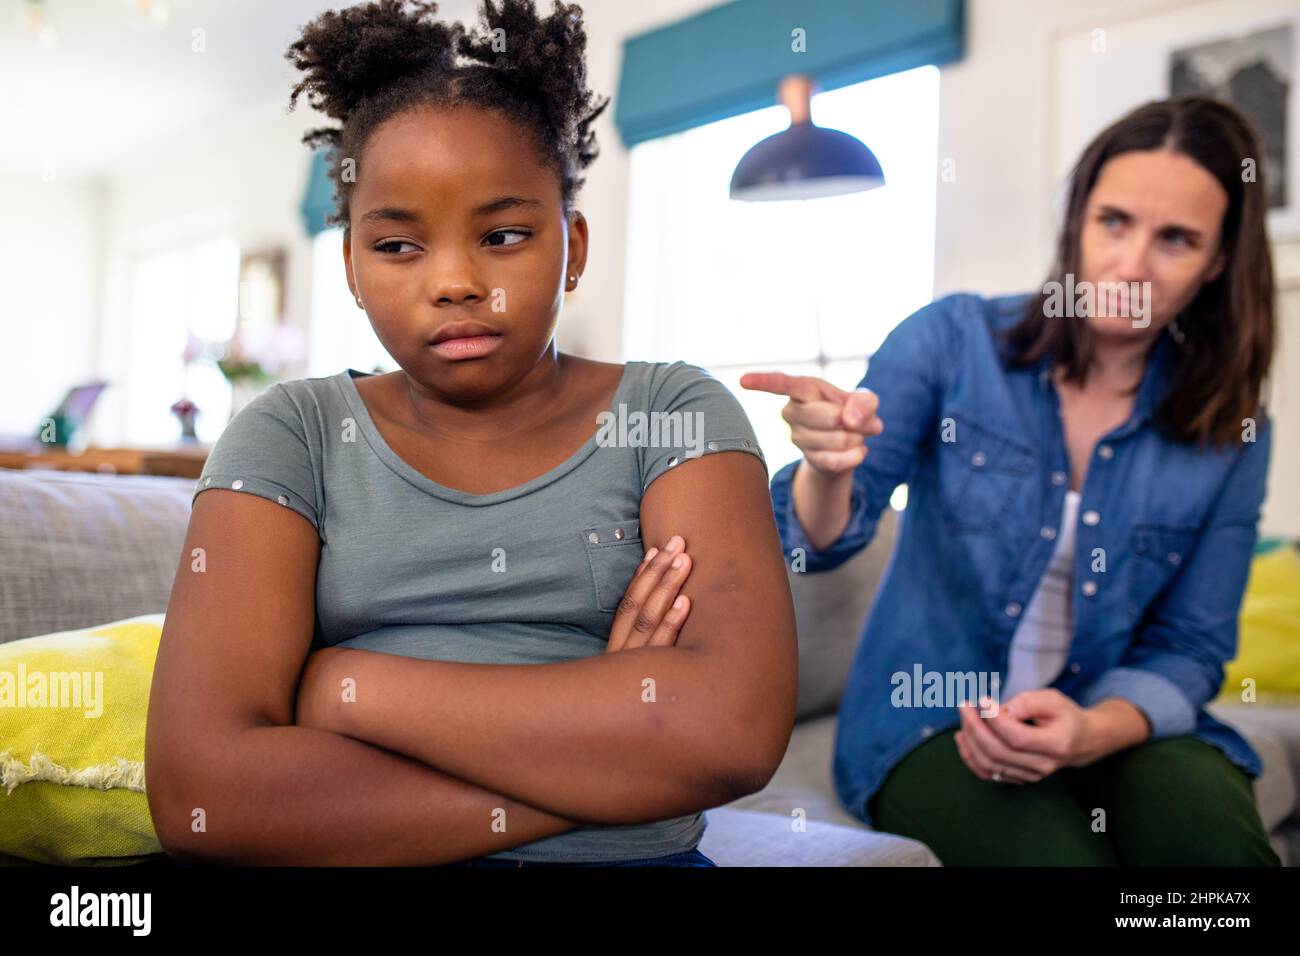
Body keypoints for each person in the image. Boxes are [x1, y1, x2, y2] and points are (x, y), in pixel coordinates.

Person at [144, 0, 797, 867]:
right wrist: (614, 761)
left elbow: (732, 732)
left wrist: (351, 689)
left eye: (503, 234)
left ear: (573, 245)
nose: (454, 281)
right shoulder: (289, 436)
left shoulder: (673, 414)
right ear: (350, 267)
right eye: (398, 246)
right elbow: (203, 797)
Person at [743, 96, 1281, 866]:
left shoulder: (1232, 430)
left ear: (1219, 261)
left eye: (1177, 240)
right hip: (927, 719)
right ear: (1078, 222)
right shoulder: (953, 342)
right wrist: (829, 468)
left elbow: (1191, 648)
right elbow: (822, 538)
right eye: (1114, 222)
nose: (1131, 265)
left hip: (1112, 720)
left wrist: (1092, 730)